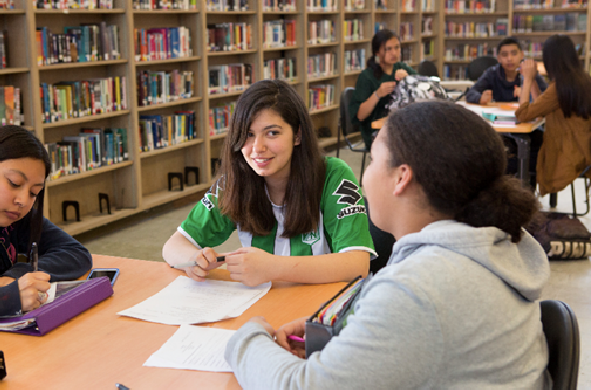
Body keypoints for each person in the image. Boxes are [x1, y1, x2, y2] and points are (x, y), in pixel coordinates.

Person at [225, 101, 550, 388]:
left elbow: (301, 386)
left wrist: (248, 336)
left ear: (401, 177)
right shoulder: (486, 245)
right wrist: (337, 333)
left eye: (373, 161)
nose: (363, 176)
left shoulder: (420, 289)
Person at [162, 80, 375, 287]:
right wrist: (194, 259)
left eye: (272, 133)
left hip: (320, 308)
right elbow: (173, 246)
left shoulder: (333, 175)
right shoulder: (234, 182)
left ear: (297, 135)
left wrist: (272, 268)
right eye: (248, 134)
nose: (257, 148)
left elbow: (357, 264)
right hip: (263, 303)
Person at [0, 125, 92, 317]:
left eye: (33, 193)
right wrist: (5, 298)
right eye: (14, 183)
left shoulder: (16, 217)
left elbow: (76, 253)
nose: (22, 200)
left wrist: (17, 274)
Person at [516, 34, 591, 197]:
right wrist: (534, 81)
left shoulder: (559, 86)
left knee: (518, 157)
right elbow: (541, 110)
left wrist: (527, 80)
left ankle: (524, 201)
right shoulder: (582, 80)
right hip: (582, 149)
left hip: (568, 153)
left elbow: (523, 115)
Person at [350, 30, 416, 149]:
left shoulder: (402, 68)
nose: (394, 53)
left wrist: (408, 79)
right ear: (377, 52)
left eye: (397, 47)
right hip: (376, 132)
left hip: (401, 125)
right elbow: (360, 115)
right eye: (388, 49)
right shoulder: (367, 76)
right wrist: (377, 94)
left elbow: (423, 88)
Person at [465, 37, 547, 105]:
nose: (509, 59)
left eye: (514, 54)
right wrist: (480, 98)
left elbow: (546, 97)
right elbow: (471, 92)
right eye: (504, 55)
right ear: (498, 58)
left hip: (523, 116)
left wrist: (528, 93)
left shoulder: (529, 72)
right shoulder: (492, 73)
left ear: (521, 55)